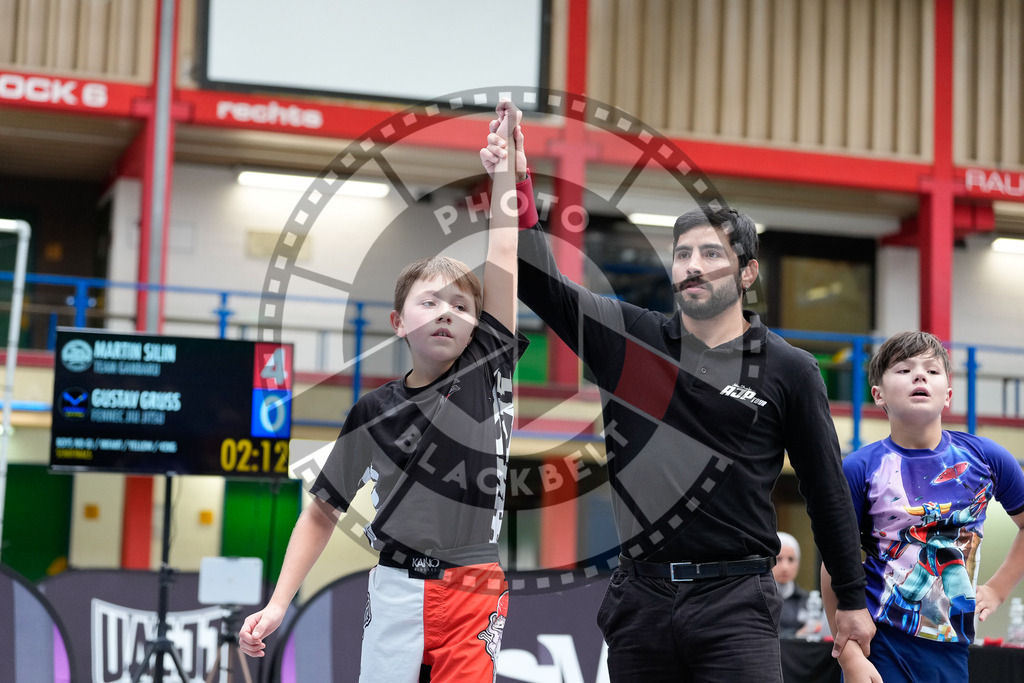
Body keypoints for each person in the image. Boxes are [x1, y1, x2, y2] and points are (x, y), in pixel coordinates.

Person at [481, 108, 874, 682]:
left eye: (712, 254)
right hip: (640, 603)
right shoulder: (629, 341)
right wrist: (515, 183)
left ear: (746, 273)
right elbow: (540, 281)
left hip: (736, 603)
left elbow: (827, 493)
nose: (693, 267)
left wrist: (854, 598)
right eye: (683, 254)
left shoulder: (790, 369)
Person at [238, 104, 528, 682]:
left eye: (462, 305)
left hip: (473, 588)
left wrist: (505, 172)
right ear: (399, 322)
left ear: (479, 326)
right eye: (430, 301)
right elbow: (321, 511)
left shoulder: (487, 371)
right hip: (394, 585)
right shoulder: (373, 411)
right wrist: (277, 603)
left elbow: (502, 255)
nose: (446, 313)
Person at [821, 331, 1024, 683]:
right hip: (879, 643)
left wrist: (997, 588)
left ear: (947, 395)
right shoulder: (860, 468)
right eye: (903, 370)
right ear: (878, 395)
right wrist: (850, 657)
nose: (919, 376)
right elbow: (834, 564)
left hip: (950, 646)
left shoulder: (986, 459)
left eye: (931, 370)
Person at [774, 531, 811, 638]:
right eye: (778, 559)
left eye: (791, 559)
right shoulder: (758, 599)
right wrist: (796, 635)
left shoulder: (807, 600)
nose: (785, 567)